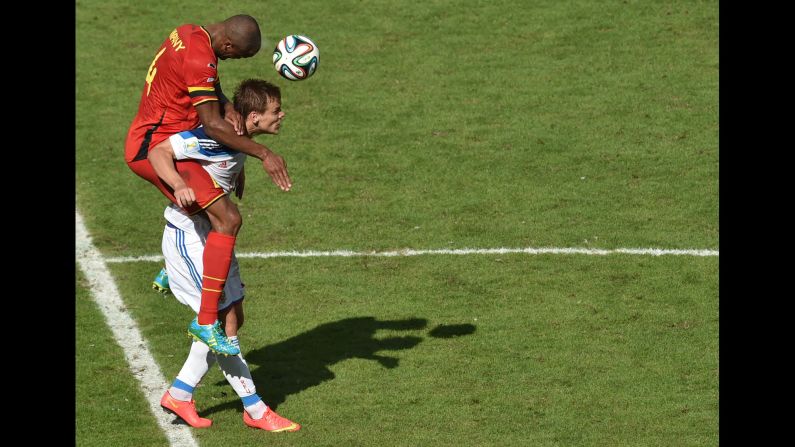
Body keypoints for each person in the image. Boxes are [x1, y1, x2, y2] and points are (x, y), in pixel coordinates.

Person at [124, 15, 292, 356]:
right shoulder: (203, 58)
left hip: (165, 138)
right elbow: (213, 126)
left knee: (214, 197)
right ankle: (203, 321)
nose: (235, 60)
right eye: (239, 56)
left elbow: (205, 84)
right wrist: (263, 153)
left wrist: (229, 106)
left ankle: (172, 270)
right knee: (227, 218)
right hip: (156, 148)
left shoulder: (189, 34)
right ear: (228, 46)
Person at [158, 79, 300, 432]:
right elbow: (159, 152)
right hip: (189, 237)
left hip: (215, 236)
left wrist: (238, 175)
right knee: (220, 323)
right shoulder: (211, 136)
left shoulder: (240, 141)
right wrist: (179, 186)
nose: (282, 115)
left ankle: (180, 392)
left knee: (235, 316)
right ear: (253, 116)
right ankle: (255, 409)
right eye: (275, 111)